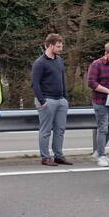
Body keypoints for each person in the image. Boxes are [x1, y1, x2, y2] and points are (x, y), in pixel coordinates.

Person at [31, 33, 70, 166]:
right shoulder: (40, 62)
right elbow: (35, 83)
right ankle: (45, 157)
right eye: (58, 46)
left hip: (60, 100)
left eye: (61, 46)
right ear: (50, 46)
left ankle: (58, 155)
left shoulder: (59, 60)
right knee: (46, 130)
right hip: (47, 100)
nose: (61, 49)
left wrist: (65, 98)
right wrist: (42, 101)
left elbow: (62, 79)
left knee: (60, 129)